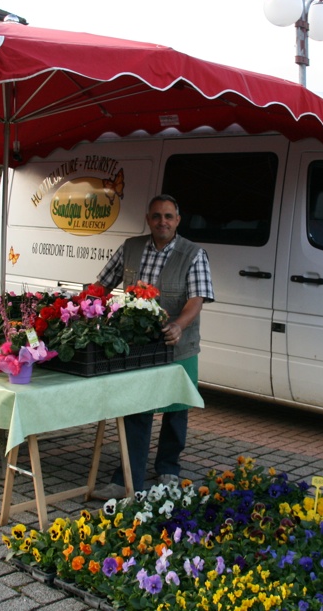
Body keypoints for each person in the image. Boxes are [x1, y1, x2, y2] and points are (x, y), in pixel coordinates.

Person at [91, 194, 214, 500]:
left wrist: (179, 325)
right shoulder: (131, 247)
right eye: (157, 216)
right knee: (136, 407)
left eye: (169, 216)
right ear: (148, 219)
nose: (163, 222)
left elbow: (196, 299)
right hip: (137, 345)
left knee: (176, 408)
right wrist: (89, 307)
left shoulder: (193, 253)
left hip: (178, 343)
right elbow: (102, 284)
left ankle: (169, 468)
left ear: (178, 220)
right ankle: (126, 479)